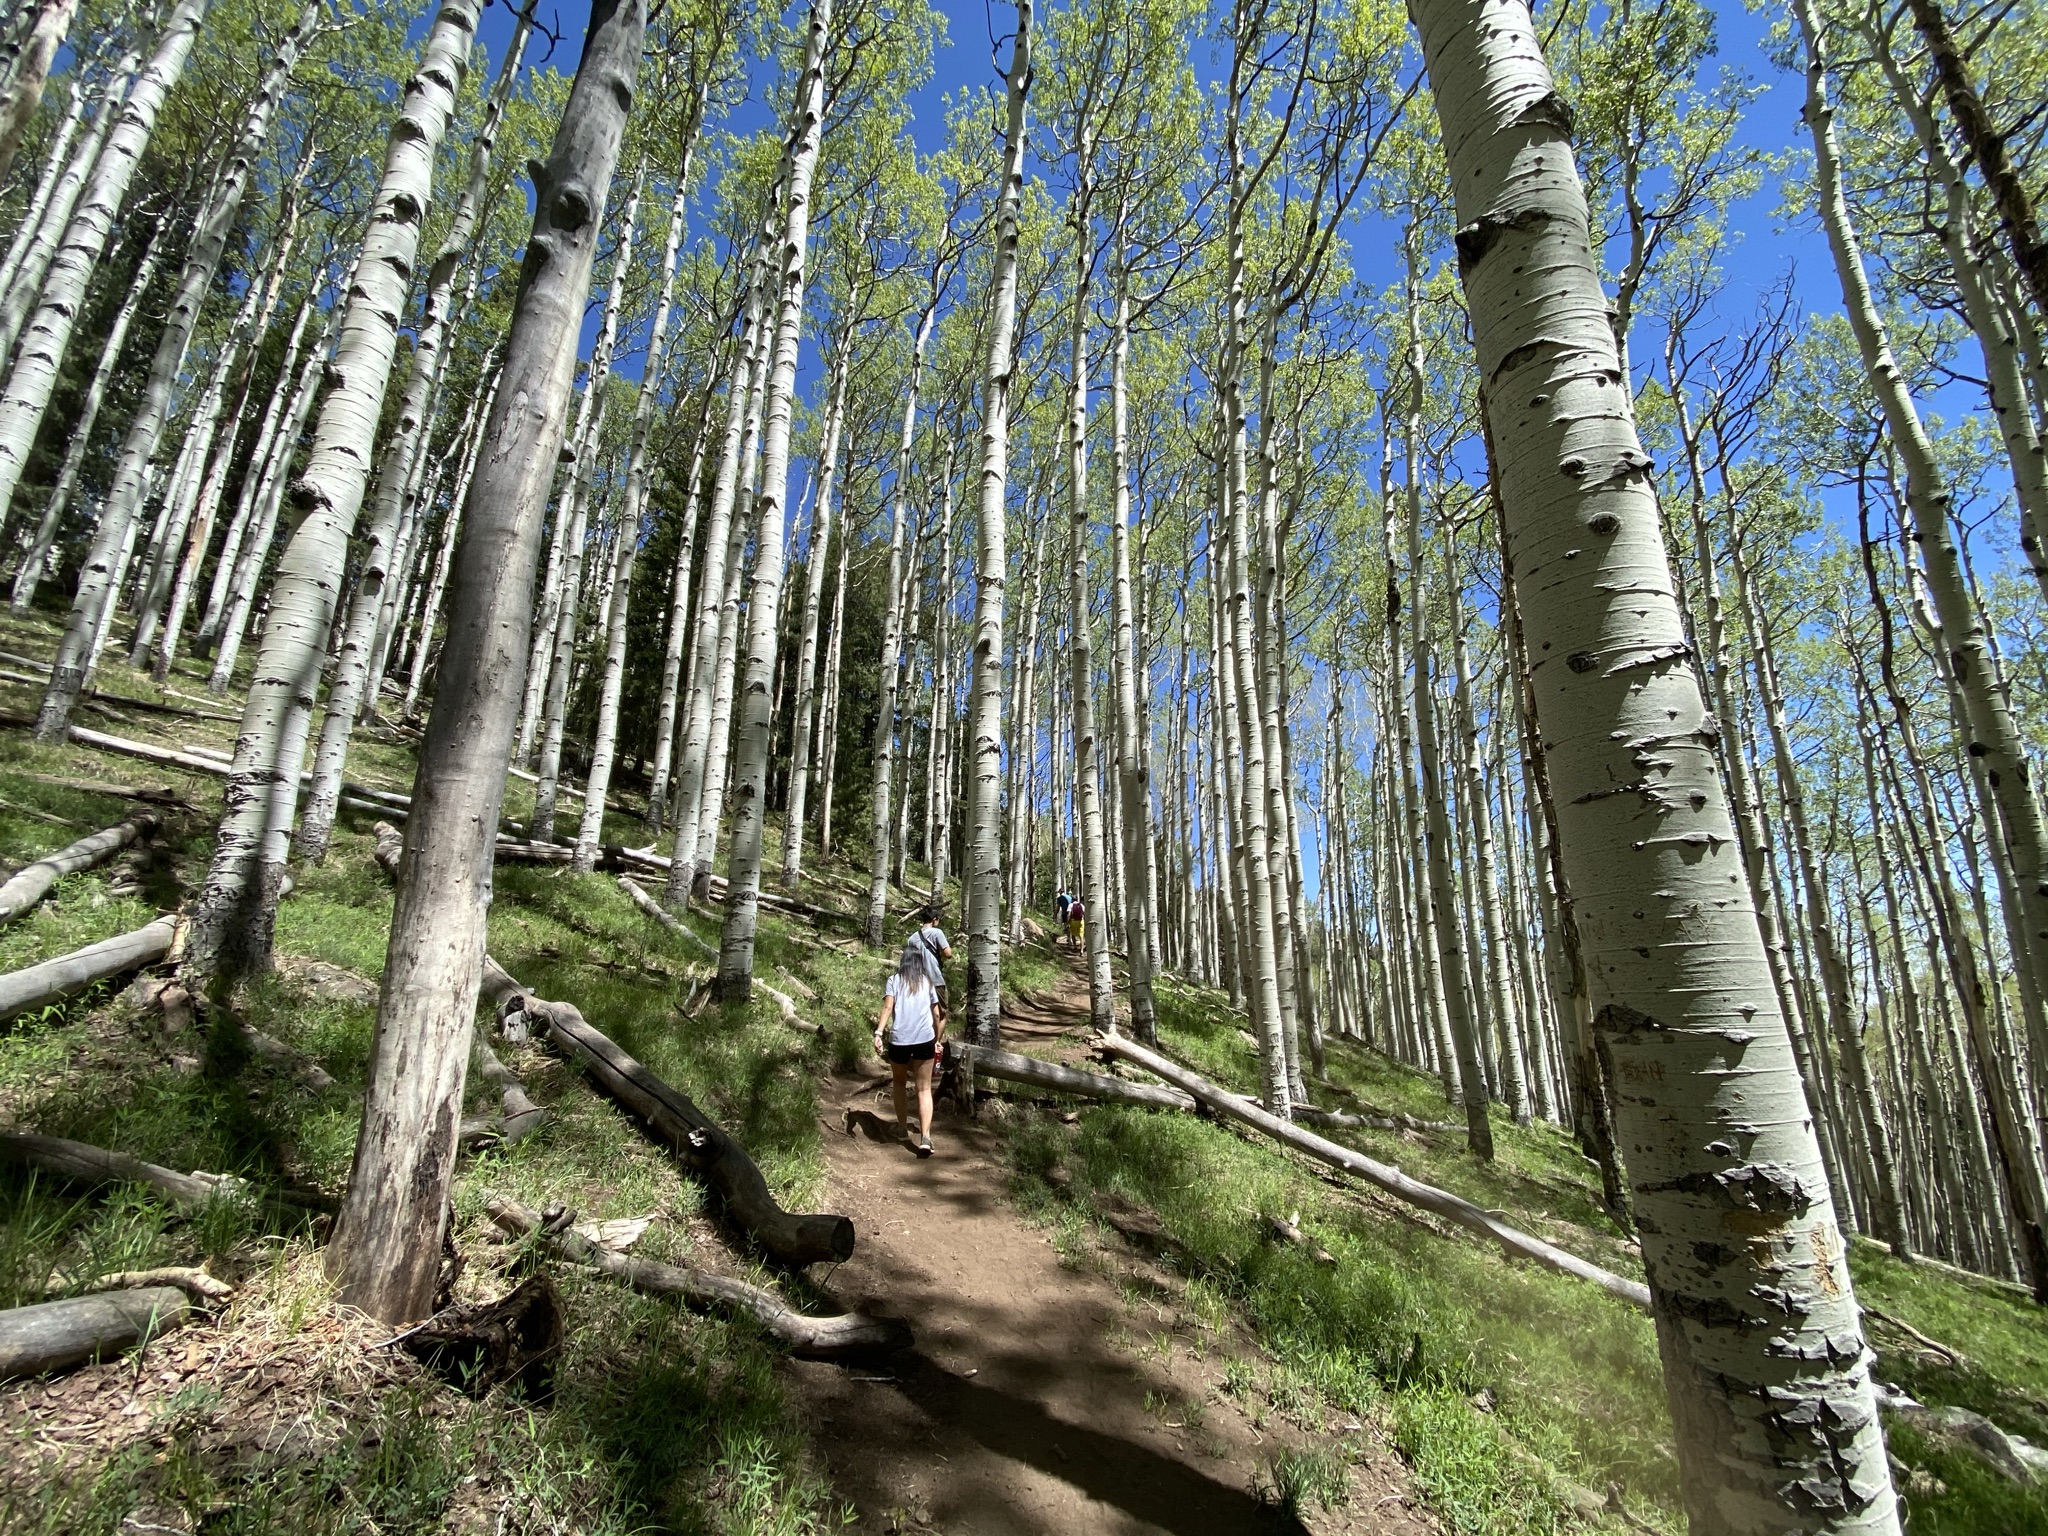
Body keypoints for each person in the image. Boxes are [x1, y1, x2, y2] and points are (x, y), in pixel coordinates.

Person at [874, 938, 945, 1156]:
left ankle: (903, 1129)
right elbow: (938, 1014)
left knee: (899, 1083)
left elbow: (888, 1007)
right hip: (924, 1040)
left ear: (902, 963)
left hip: (900, 1040)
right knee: (924, 1089)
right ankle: (925, 1137)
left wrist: (878, 1033)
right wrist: (938, 1040)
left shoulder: (894, 980)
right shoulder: (927, 982)